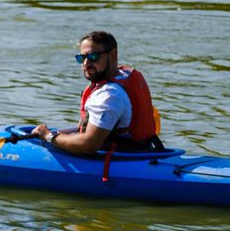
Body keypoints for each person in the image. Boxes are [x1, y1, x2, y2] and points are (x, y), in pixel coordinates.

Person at [31, 31, 162, 156]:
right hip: (142, 151)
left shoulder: (109, 95)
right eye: (81, 58)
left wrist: (49, 136)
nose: (86, 63)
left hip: (120, 160)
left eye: (93, 56)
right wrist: (56, 133)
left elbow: (89, 145)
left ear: (112, 55)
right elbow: (84, 129)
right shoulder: (121, 76)